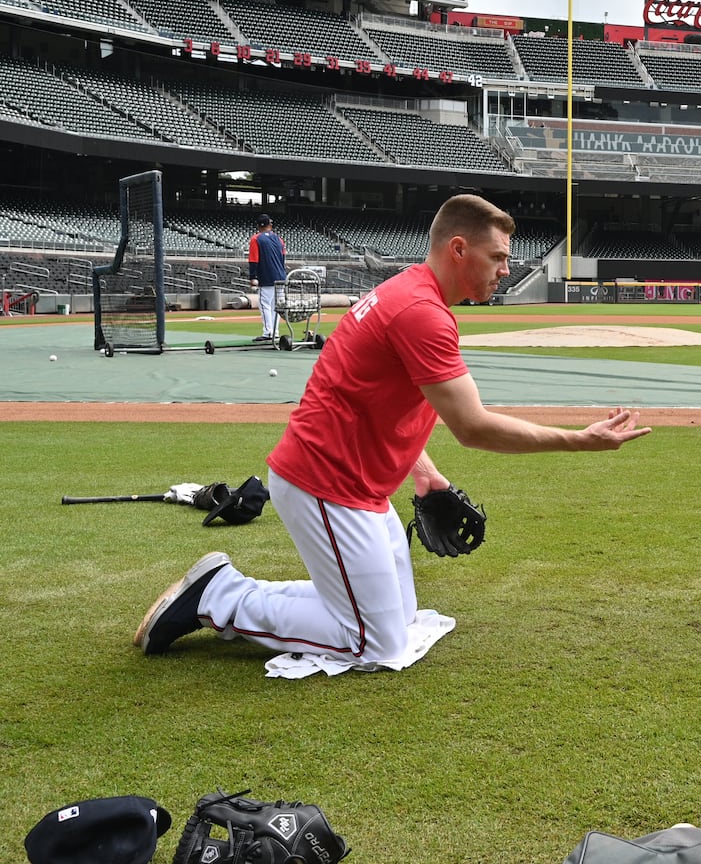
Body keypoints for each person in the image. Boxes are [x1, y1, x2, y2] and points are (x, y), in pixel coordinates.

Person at [136, 194, 652, 668]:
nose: (506, 268)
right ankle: (218, 598)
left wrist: (425, 474)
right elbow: (473, 427)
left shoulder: (412, 293)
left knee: (400, 619)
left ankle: (225, 586)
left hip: (358, 483)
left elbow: (381, 404)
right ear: (458, 249)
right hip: (326, 484)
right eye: (497, 256)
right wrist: (582, 440)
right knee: (374, 643)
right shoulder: (421, 312)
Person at [247, 212, 287, 341]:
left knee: (265, 304)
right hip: (281, 276)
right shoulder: (279, 239)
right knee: (276, 306)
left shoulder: (256, 239)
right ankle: (275, 331)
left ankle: (268, 332)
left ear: (259, 226)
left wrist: (252, 276)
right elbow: (283, 258)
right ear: (270, 224)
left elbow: (254, 260)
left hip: (267, 276)